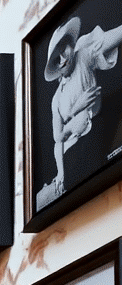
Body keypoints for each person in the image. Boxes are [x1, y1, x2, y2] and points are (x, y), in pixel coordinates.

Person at [44, 14, 122, 200]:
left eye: (64, 49)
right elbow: (58, 138)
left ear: (71, 43)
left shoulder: (83, 55)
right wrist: (60, 172)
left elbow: (113, 37)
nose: (63, 59)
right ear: (54, 67)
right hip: (70, 151)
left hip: (95, 131)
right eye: (57, 59)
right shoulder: (56, 99)